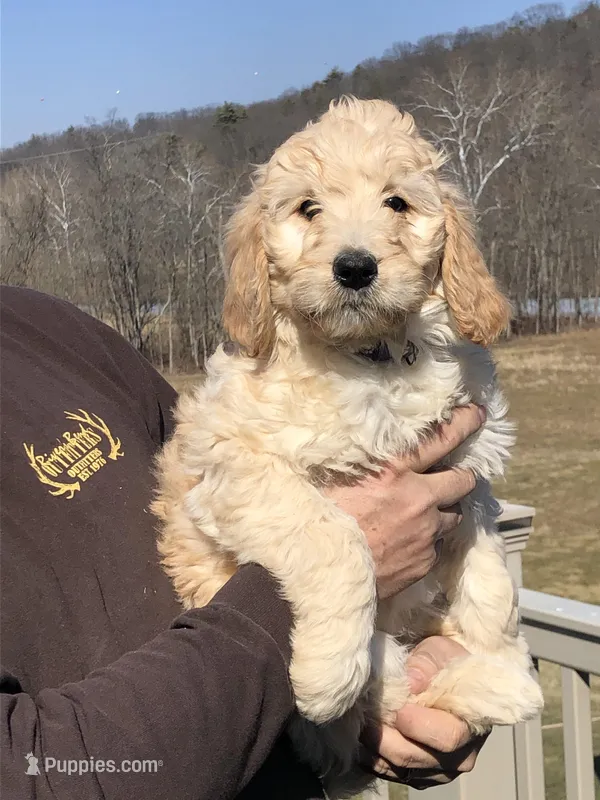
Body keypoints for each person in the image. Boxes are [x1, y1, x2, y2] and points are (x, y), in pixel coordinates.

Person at [0, 286, 487, 799]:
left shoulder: (42, 327)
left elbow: (214, 485)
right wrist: (328, 590)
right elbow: (31, 775)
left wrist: (422, 646)